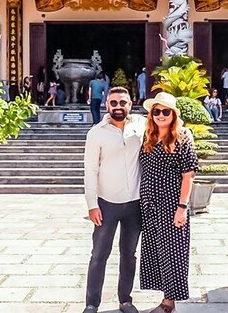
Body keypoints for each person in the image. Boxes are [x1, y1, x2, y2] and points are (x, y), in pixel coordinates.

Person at [83, 87, 146, 313]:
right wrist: (92, 204)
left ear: (130, 104)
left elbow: (168, 128)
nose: (118, 107)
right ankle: (92, 303)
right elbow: (90, 170)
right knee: (99, 254)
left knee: (129, 254)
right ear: (106, 105)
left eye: (122, 103)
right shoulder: (96, 132)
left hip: (135, 204)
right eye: (114, 103)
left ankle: (125, 300)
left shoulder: (141, 125)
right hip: (106, 204)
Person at [140, 92, 198, 313]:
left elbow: (188, 175)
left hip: (171, 204)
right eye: (156, 111)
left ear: (173, 114)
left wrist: (182, 207)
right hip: (150, 205)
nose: (161, 115)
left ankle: (169, 303)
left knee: (173, 252)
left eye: (165, 111)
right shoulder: (148, 137)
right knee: (157, 251)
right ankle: (165, 298)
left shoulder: (182, 138)